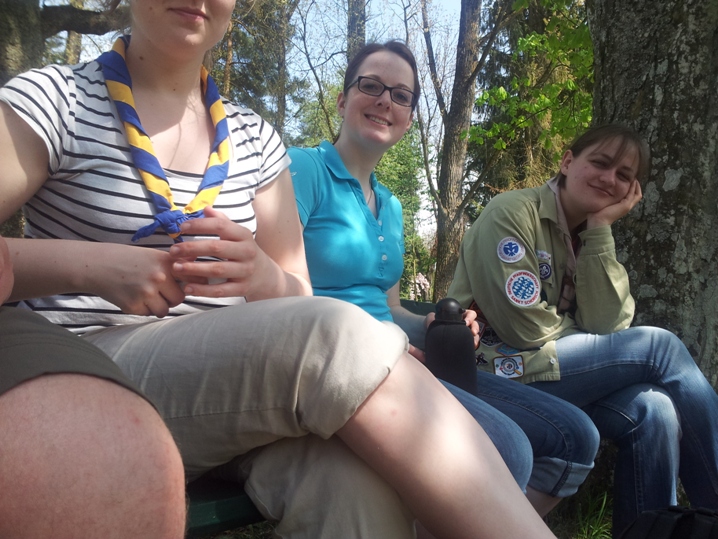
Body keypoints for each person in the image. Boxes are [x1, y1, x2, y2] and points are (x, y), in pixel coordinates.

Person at [0, 1, 559, 538]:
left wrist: (262, 276)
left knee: (355, 492)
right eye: (370, 87)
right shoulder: (57, 99)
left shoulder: (254, 139)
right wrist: (94, 267)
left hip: (234, 389)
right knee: (335, 335)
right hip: (89, 365)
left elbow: (296, 292)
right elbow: (317, 327)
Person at [289, 39, 599, 517]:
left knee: (574, 436)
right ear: (341, 99)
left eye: (401, 95)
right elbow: (283, 294)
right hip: (336, 363)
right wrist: (388, 343)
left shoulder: (392, 206)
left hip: (404, 359)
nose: (385, 101)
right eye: (370, 86)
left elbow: (390, 307)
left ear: (410, 118)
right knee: (509, 450)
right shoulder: (302, 168)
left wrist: (433, 326)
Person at [448, 123, 718, 537]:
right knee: (660, 348)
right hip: (491, 371)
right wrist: (590, 338)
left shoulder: (586, 235)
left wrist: (600, 228)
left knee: (655, 409)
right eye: (601, 163)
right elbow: (525, 327)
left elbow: (607, 323)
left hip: (546, 371)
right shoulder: (512, 212)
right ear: (567, 161)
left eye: (624, 175)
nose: (610, 179)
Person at [0, 234, 187, 538]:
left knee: (281, 465)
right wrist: (92, 265)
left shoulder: (262, 197)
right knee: (103, 452)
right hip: (88, 344)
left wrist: (262, 273)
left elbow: (279, 283)